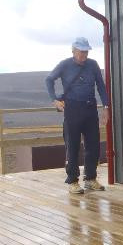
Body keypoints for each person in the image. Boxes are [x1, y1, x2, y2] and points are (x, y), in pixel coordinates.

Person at [45, 37, 110, 194]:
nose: (84, 55)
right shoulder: (65, 64)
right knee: (72, 145)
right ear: (73, 51)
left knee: (93, 145)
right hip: (72, 109)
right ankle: (73, 181)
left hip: (90, 108)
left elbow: (101, 86)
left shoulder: (93, 65)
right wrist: (54, 99)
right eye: (81, 52)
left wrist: (106, 107)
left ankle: (90, 179)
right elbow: (49, 79)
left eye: (86, 52)